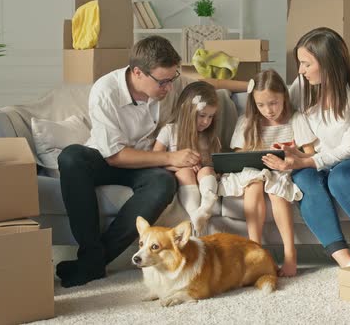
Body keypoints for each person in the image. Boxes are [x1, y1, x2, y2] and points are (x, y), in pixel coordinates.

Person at [56, 35, 245, 288]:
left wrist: (253, 85)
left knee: (162, 184)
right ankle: (91, 255)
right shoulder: (105, 92)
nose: (169, 87)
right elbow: (114, 155)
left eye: (172, 79)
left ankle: (92, 262)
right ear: (138, 73)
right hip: (106, 159)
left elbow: (201, 85)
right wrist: (171, 157)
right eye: (163, 82)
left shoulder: (170, 82)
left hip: (148, 164)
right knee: (70, 157)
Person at [262, 27, 350, 268]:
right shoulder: (303, 85)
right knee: (305, 178)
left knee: (340, 177)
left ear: (328, 62)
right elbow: (278, 105)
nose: (300, 70)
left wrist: (307, 161)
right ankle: (346, 261)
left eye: (306, 64)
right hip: (316, 161)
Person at [219, 69, 316, 277]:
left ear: (284, 97)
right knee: (253, 187)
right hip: (253, 172)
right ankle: (256, 252)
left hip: (281, 171)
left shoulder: (295, 119)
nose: (268, 110)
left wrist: (291, 154)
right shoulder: (247, 121)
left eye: (273, 103)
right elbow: (238, 154)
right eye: (261, 105)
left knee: (276, 191)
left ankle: (290, 255)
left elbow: (310, 153)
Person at [152, 81, 220, 236]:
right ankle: (195, 217)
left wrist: (205, 166)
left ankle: (206, 206)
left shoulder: (208, 137)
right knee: (186, 172)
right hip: (182, 176)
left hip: (203, 176)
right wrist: (179, 167)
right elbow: (156, 159)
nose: (206, 122)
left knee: (207, 170)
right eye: (202, 115)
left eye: (210, 117)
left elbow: (215, 163)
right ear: (187, 110)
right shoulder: (169, 131)